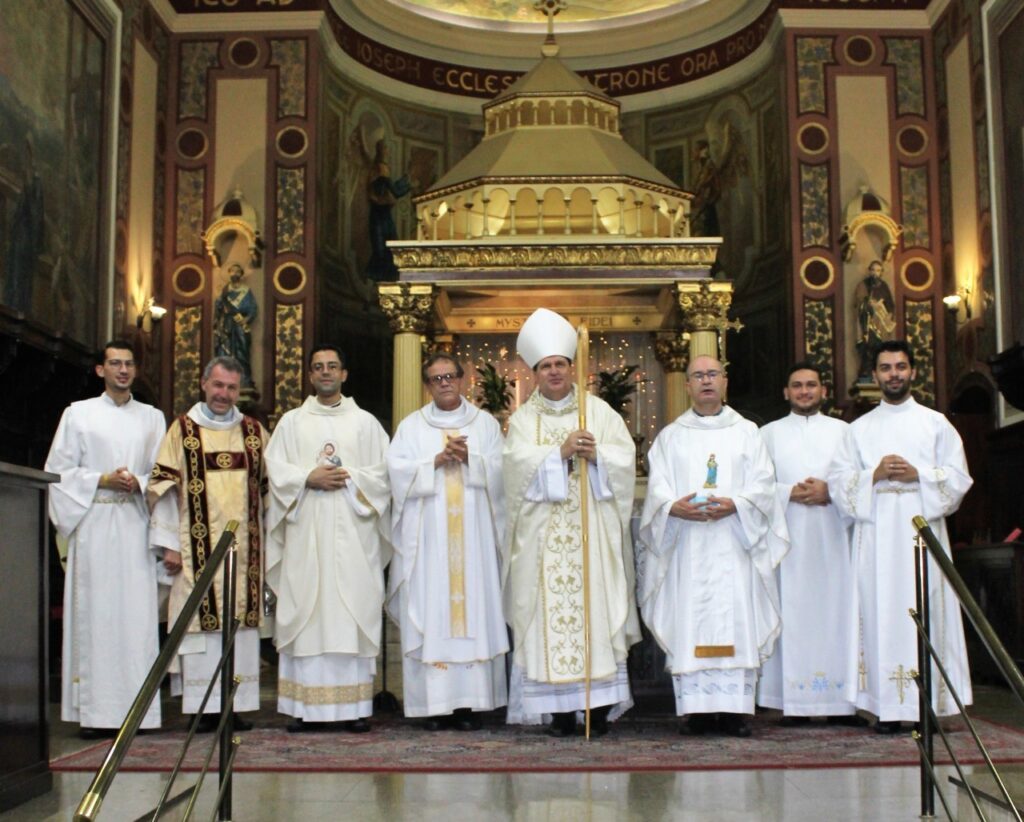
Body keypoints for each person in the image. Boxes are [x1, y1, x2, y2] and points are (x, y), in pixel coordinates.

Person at [503, 308, 640, 737]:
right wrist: (558, 454)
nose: (554, 371)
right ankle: (560, 713)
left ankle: (596, 706)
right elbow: (513, 473)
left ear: (571, 366)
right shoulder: (523, 420)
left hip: (591, 536)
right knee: (549, 620)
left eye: (560, 363)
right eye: (546, 366)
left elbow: (625, 460)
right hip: (543, 541)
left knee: (595, 614)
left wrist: (598, 456)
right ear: (534, 373)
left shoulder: (598, 412)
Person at [638, 355, 788, 738]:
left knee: (737, 618)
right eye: (698, 376)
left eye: (712, 374)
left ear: (725, 382)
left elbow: (764, 486)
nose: (706, 381)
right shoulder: (671, 437)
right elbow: (657, 490)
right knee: (691, 618)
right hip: (687, 543)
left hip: (735, 541)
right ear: (687, 385)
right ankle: (697, 712)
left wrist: (737, 504)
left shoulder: (747, 432)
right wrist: (672, 508)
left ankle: (735, 711)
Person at [828, 340, 973, 732]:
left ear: (913, 371)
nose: (894, 374)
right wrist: (873, 475)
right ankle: (886, 707)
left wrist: (918, 475)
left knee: (927, 612)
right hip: (876, 536)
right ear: (875, 375)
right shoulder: (857, 430)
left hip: (921, 530)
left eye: (900, 366)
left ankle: (928, 707)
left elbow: (959, 479)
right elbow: (838, 483)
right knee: (879, 613)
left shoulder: (936, 424)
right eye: (886, 368)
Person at [265, 344, 391, 733]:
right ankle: (302, 708)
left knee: (350, 611)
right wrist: (307, 477)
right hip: (306, 536)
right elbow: (275, 470)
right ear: (309, 375)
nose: (325, 372)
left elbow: (384, 476)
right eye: (318, 367)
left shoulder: (366, 423)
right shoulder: (291, 423)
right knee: (306, 611)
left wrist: (348, 477)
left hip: (354, 537)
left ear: (344, 374)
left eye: (332, 366)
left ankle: (354, 708)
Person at [45, 340, 166, 738]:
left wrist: (139, 482)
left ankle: (139, 712)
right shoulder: (77, 414)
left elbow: (164, 473)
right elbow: (57, 472)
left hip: (135, 525)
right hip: (95, 522)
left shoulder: (152, 418)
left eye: (129, 363)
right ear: (100, 370)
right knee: (96, 617)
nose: (123, 370)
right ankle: (95, 714)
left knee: (136, 621)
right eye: (115, 363)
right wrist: (101, 479)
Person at [387, 353, 508, 730]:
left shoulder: (485, 425)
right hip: (429, 542)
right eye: (436, 378)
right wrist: (435, 462)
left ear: (462, 379)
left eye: (450, 376)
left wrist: (472, 459)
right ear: (427, 385)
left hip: (475, 540)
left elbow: (506, 472)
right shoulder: (411, 426)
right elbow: (395, 473)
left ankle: (472, 704)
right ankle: (434, 705)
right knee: (432, 608)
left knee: (474, 607)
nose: (444, 383)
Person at [149, 356, 269, 732]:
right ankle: (202, 708)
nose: (224, 394)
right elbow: (165, 490)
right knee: (199, 627)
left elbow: (270, 493)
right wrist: (169, 544)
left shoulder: (254, 433)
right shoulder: (182, 431)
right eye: (218, 385)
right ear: (204, 384)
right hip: (194, 551)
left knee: (238, 624)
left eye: (232, 387)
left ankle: (234, 706)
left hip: (245, 552)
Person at [756, 362, 859, 724]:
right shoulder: (767, 434)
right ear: (786, 392)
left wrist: (830, 491)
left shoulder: (846, 432)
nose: (804, 391)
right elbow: (755, 485)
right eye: (797, 385)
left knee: (838, 615)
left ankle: (841, 704)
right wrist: (789, 492)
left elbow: (858, 480)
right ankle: (794, 704)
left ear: (823, 391)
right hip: (788, 541)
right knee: (792, 615)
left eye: (811, 385)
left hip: (835, 539)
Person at [212, 263, 257, 387]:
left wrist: (246, 319)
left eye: (237, 271)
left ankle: (243, 379)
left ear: (241, 274)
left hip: (239, 324)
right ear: (229, 273)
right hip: (225, 324)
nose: (234, 273)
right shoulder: (224, 291)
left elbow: (253, 308)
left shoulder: (246, 291)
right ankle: (224, 379)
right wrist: (219, 300)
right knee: (223, 352)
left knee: (242, 350)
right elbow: (218, 309)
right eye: (232, 271)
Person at [853, 260, 896, 382]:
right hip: (867, 323)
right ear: (869, 271)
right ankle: (867, 373)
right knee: (868, 347)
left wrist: (889, 315)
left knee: (880, 348)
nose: (875, 273)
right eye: (873, 270)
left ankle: (879, 372)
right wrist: (868, 304)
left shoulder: (884, 286)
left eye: (878, 270)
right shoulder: (863, 285)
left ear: (881, 272)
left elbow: (890, 305)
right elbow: (858, 303)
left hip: (881, 324)